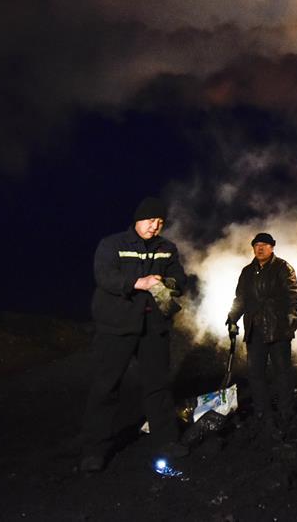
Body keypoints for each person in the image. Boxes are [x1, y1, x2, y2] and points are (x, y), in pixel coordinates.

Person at [79, 196, 189, 473]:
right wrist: (138, 282)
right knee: (106, 388)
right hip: (116, 327)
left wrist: (167, 282)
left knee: (158, 386)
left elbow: (180, 279)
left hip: (153, 328)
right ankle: (95, 450)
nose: (156, 226)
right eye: (151, 220)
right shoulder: (113, 244)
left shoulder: (167, 248)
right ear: (138, 219)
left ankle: (166, 442)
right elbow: (104, 276)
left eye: (161, 222)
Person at [225, 233, 297, 435]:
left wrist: (292, 313)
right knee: (256, 373)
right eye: (256, 245)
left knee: (282, 372)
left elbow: (292, 293)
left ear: (272, 247)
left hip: (278, 327)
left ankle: (286, 411)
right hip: (254, 329)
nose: (260, 248)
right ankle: (262, 411)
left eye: (264, 245)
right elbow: (240, 298)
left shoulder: (283, 268)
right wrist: (232, 318)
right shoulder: (247, 272)